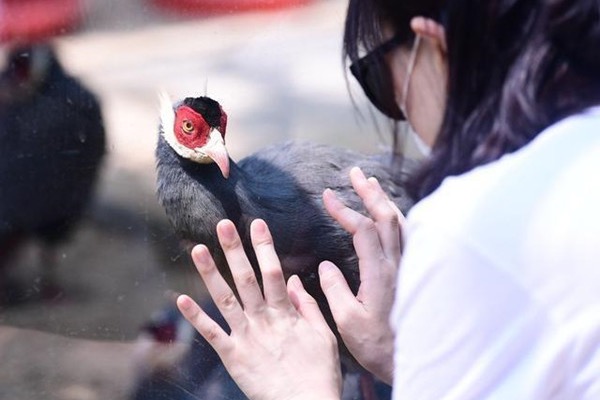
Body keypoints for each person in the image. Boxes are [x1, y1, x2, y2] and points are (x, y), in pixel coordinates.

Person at [176, 0, 600, 398]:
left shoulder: (467, 227)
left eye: (377, 77)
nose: (394, 106)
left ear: (434, 50)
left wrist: (306, 391)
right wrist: (390, 354)